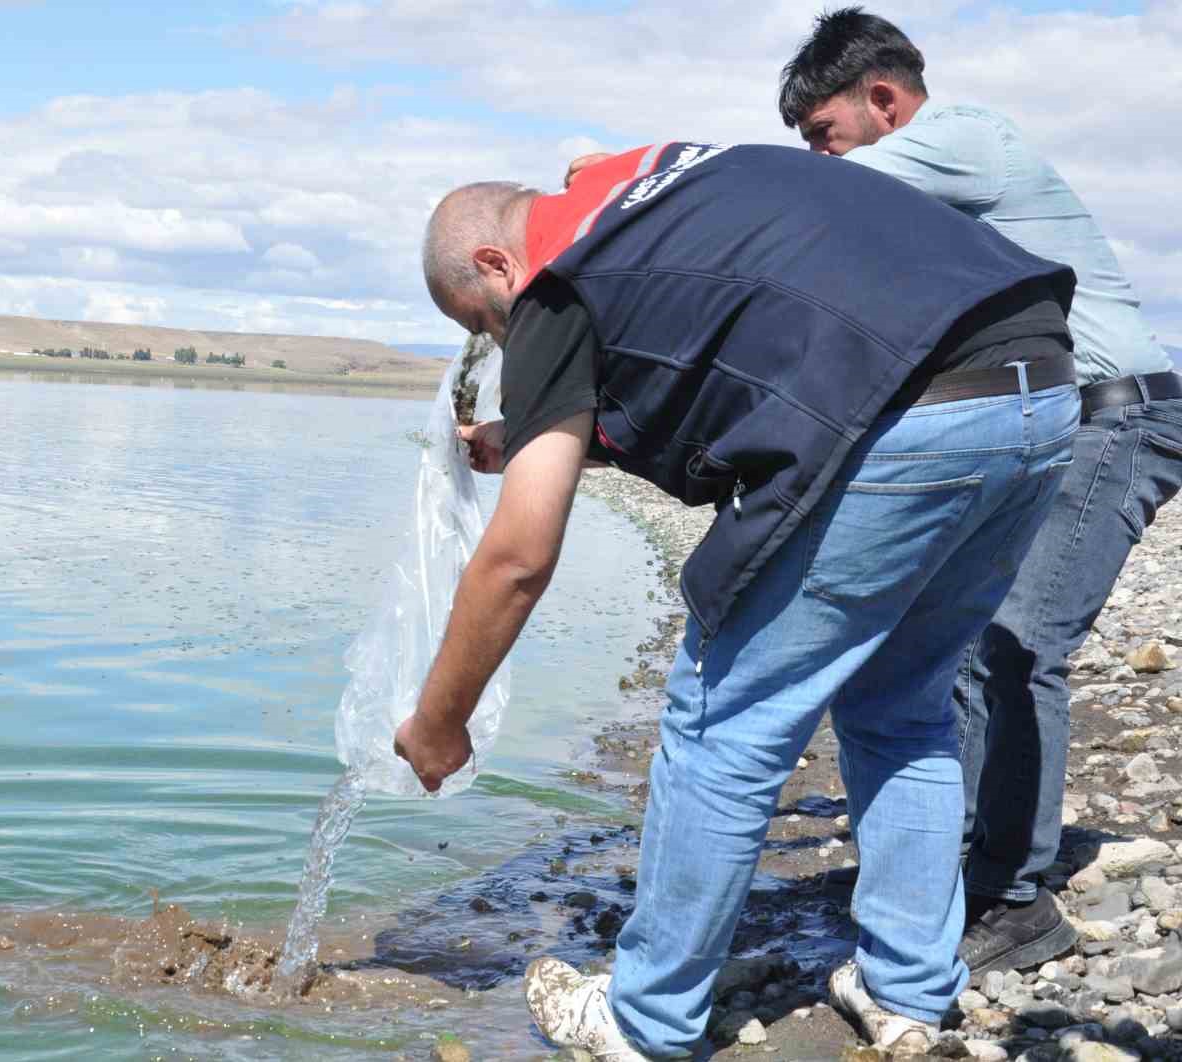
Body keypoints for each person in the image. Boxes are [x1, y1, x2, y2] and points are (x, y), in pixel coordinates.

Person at [395, 141, 1079, 1058]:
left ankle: (644, 1022)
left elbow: (518, 555)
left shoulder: (558, 281)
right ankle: (908, 992)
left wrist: (442, 720)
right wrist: (540, 436)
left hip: (905, 411)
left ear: (496, 265)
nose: (504, 343)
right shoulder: (640, 189)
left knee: (724, 721)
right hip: (1035, 383)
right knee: (902, 706)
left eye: (491, 324)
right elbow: (729, 361)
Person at [774, 6, 1182, 981]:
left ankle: (1015, 896)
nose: (824, 163)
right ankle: (934, 872)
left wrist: (648, 186)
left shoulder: (959, 137)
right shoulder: (920, 214)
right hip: (1040, 422)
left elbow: (800, 203)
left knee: (1016, 644)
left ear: (881, 100)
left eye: (826, 137)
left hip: (1113, 418)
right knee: (954, 645)